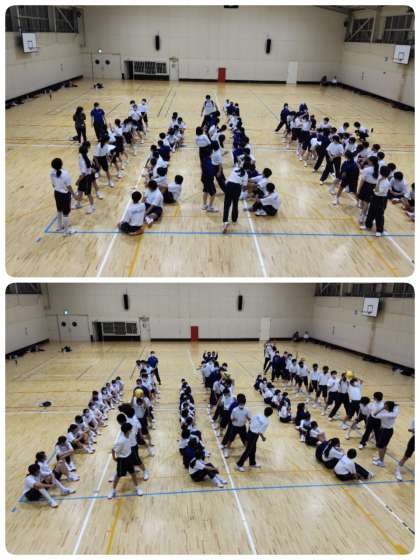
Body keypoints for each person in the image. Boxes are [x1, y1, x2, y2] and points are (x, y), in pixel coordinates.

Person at [108, 422, 144, 499]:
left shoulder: (128, 435)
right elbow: (113, 449)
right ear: (127, 431)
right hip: (122, 460)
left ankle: (137, 488)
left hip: (129, 457)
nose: (131, 430)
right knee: (118, 475)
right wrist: (114, 458)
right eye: (130, 429)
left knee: (133, 473)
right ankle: (113, 490)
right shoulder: (121, 441)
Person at [235, 407, 273, 471]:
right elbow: (260, 432)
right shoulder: (266, 422)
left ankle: (252, 463)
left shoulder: (258, 414)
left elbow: (250, 421)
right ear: (270, 415)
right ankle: (239, 465)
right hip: (254, 435)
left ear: (264, 411)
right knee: (248, 451)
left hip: (249, 431)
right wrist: (263, 438)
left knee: (253, 449)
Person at [362, 165, 391, 237]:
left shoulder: (386, 183)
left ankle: (379, 230)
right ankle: (368, 225)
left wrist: (378, 182)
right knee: (371, 211)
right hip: (375, 197)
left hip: (381, 199)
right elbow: (375, 189)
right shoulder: (380, 177)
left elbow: (377, 190)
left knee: (379, 215)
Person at [50, 157, 76, 236]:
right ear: (61, 164)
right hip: (64, 194)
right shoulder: (65, 173)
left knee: (59, 210)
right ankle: (66, 231)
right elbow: (68, 186)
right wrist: (74, 194)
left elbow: (53, 184)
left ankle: (59, 227)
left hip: (56, 193)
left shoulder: (51, 172)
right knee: (66, 213)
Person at [221, 393, 251, 458]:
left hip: (242, 427)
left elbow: (249, 419)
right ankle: (227, 452)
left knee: (245, 440)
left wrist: (248, 419)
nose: (241, 405)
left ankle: (248, 452)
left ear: (244, 403)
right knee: (230, 440)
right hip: (234, 427)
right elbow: (231, 418)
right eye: (240, 404)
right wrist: (235, 418)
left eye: (242, 404)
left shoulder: (247, 410)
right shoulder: (234, 410)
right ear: (238, 403)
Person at [372, 400, 399, 467]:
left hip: (385, 431)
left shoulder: (385, 415)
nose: (384, 406)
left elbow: (374, 414)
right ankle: (380, 458)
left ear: (387, 407)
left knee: (380, 447)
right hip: (389, 430)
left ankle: (381, 462)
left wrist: (382, 409)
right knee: (384, 446)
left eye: (385, 405)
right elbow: (397, 406)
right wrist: (389, 406)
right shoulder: (394, 412)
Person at [222, 166, 247, 233]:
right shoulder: (246, 174)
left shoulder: (235, 168)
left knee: (226, 205)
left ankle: (225, 222)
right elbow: (244, 187)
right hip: (237, 188)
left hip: (229, 185)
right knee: (235, 204)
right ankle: (234, 219)